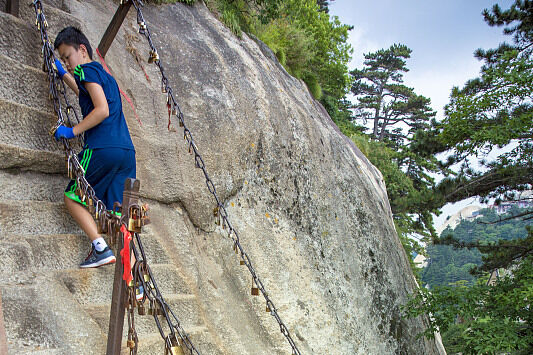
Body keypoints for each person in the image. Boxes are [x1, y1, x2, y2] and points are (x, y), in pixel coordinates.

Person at [53, 26, 136, 268]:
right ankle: (135, 282)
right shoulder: (105, 76)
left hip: (101, 148)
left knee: (72, 196)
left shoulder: (86, 69)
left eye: (67, 57)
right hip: (126, 153)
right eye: (63, 60)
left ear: (82, 49)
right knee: (119, 215)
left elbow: (101, 109)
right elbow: (86, 93)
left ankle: (100, 247)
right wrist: (64, 75)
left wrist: (72, 130)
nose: (67, 63)